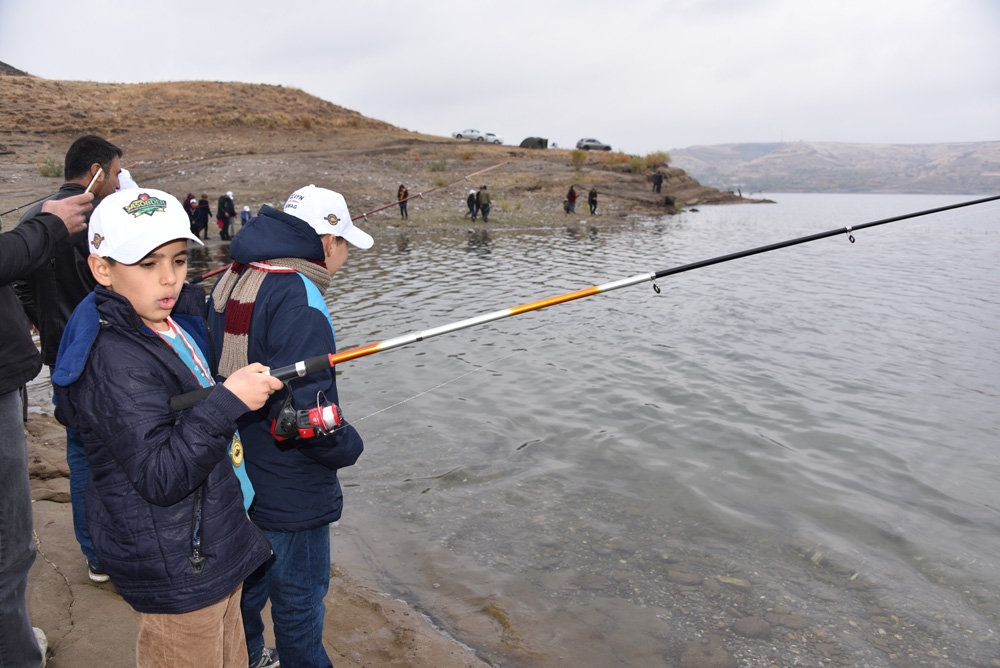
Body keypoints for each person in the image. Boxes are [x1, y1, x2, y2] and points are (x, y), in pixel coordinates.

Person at [52, 189, 283, 668]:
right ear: (103, 269)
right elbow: (160, 475)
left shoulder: (169, 322)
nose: (169, 279)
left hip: (210, 546)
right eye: (147, 263)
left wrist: (227, 391)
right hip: (176, 566)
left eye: (178, 260)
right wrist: (226, 403)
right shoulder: (112, 358)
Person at [207, 185, 368, 668]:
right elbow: (313, 417)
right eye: (344, 247)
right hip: (290, 489)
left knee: (248, 588)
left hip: (238, 472)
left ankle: (252, 655)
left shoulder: (235, 274)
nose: (343, 259)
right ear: (326, 243)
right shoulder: (300, 296)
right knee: (299, 602)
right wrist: (349, 446)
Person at [14, 134, 123, 584]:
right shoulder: (99, 218)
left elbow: (18, 284)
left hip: (59, 354)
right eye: (115, 173)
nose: (117, 183)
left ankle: (95, 556)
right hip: (103, 355)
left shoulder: (32, 217)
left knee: (80, 453)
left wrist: (42, 320)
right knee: (111, 456)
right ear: (95, 170)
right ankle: (111, 554)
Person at [1, 191, 93, 668]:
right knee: (10, 544)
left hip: (36, 361)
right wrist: (47, 227)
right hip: (53, 361)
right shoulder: (50, 220)